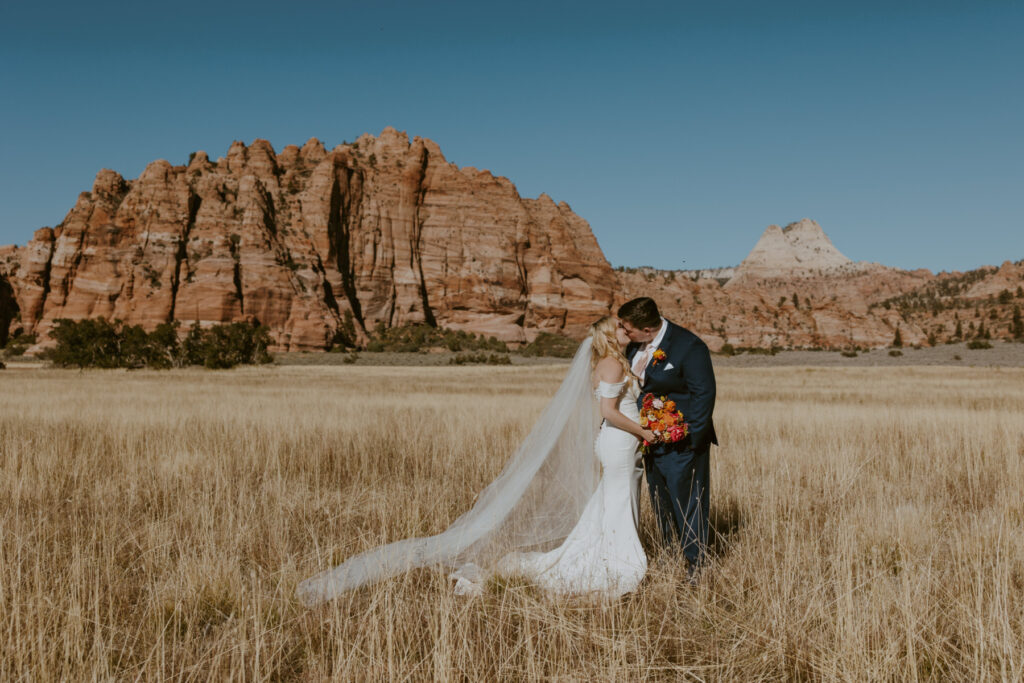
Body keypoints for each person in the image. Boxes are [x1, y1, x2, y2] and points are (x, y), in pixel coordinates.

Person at [297, 316, 655, 605]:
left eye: (628, 327)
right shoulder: (610, 364)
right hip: (621, 441)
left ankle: (612, 550)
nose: (627, 330)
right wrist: (646, 432)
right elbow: (608, 409)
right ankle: (618, 560)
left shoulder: (613, 362)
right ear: (610, 335)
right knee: (616, 499)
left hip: (620, 442)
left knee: (611, 502)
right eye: (620, 328)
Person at [617, 297, 717, 581]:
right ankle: (670, 553)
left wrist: (690, 439)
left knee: (689, 501)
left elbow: (703, 395)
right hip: (649, 440)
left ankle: (697, 564)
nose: (625, 333)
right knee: (660, 498)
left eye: (629, 329)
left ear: (648, 329)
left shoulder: (689, 346)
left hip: (682, 441)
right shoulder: (633, 348)